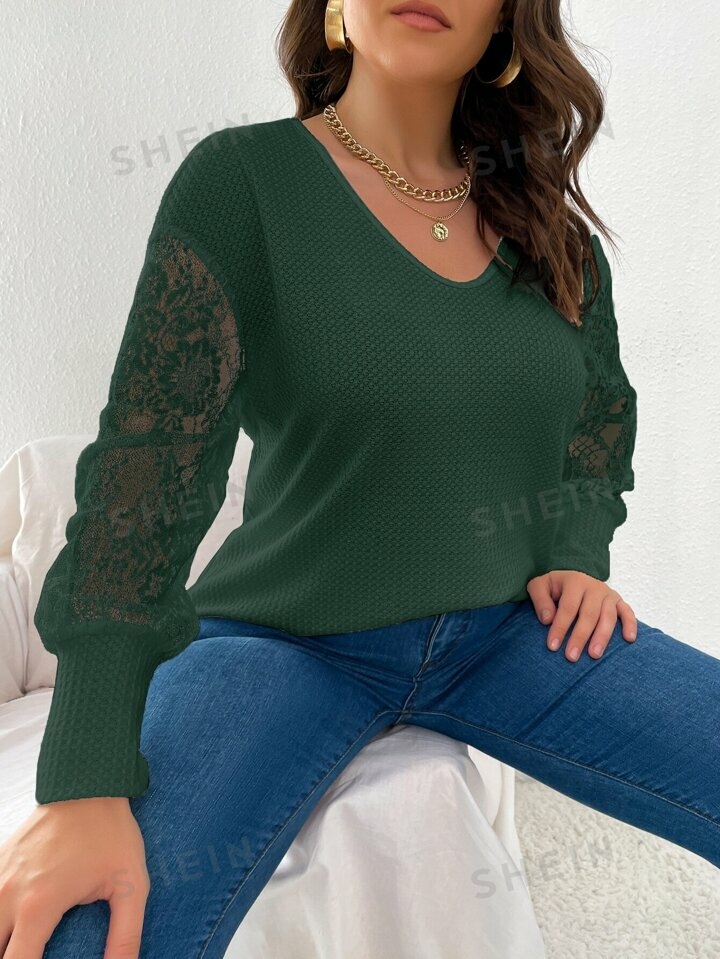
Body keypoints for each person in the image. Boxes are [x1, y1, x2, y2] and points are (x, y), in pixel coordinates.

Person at [2, 0, 719, 956]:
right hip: (281, 640)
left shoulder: (548, 224)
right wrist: (83, 779)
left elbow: (600, 416)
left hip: (508, 633)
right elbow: (146, 478)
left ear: (507, 24)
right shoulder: (244, 183)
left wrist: (576, 551)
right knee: (88, 933)